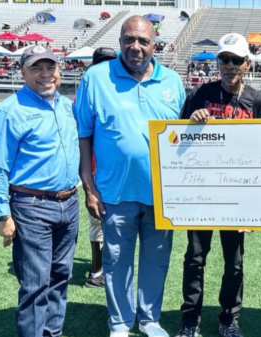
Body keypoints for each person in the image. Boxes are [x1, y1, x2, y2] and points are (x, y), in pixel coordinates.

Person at [75, 16, 185, 337]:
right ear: (121, 40)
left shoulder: (173, 82)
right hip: (114, 191)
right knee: (116, 261)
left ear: (155, 46)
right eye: (129, 39)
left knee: (156, 261)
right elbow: (83, 134)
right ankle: (120, 323)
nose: (135, 47)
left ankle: (150, 319)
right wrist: (88, 184)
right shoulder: (96, 77)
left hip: (162, 196)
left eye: (143, 41)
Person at [175, 33, 261, 337]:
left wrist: (256, 206)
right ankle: (190, 320)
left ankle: (229, 320)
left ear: (248, 63)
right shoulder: (199, 94)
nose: (229, 65)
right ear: (217, 61)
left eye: (236, 60)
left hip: (238, 198)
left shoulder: (257, 101)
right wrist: (192, 121)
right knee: (194, 259)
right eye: (224, 59)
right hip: (202, 193)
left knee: (234, 263)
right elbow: (175, 141)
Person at [0, 45, 80, 337]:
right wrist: (2, 213)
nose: (45, 74)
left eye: (50, 67)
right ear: (22, 72)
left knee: (60, 278)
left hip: (69, 203)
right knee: (36, 285)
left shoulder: (66, 106)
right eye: (37, 68)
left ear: (59, 71)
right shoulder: (8, 111)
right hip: (31, 206)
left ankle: (52, 333)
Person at [79, 47, 118, 289]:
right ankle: (97, 272)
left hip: (112, 169)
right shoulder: (89, 89)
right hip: (96, 169)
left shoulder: (109, 89)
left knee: (108, 223)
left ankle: (104, 268)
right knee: (98, 221)